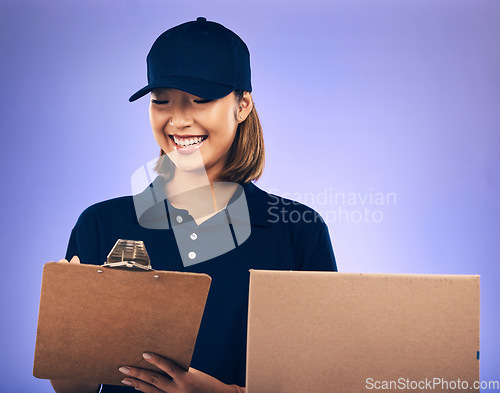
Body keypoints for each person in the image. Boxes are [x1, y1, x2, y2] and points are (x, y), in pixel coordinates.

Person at [50, 17, 337, 393]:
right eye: (161, 101)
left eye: (200, 100)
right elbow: (75, 389)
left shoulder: (299, 230)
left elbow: (324, 380)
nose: (179, 119)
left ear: (243, 105)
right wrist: (65, 326)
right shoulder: (102, 223)